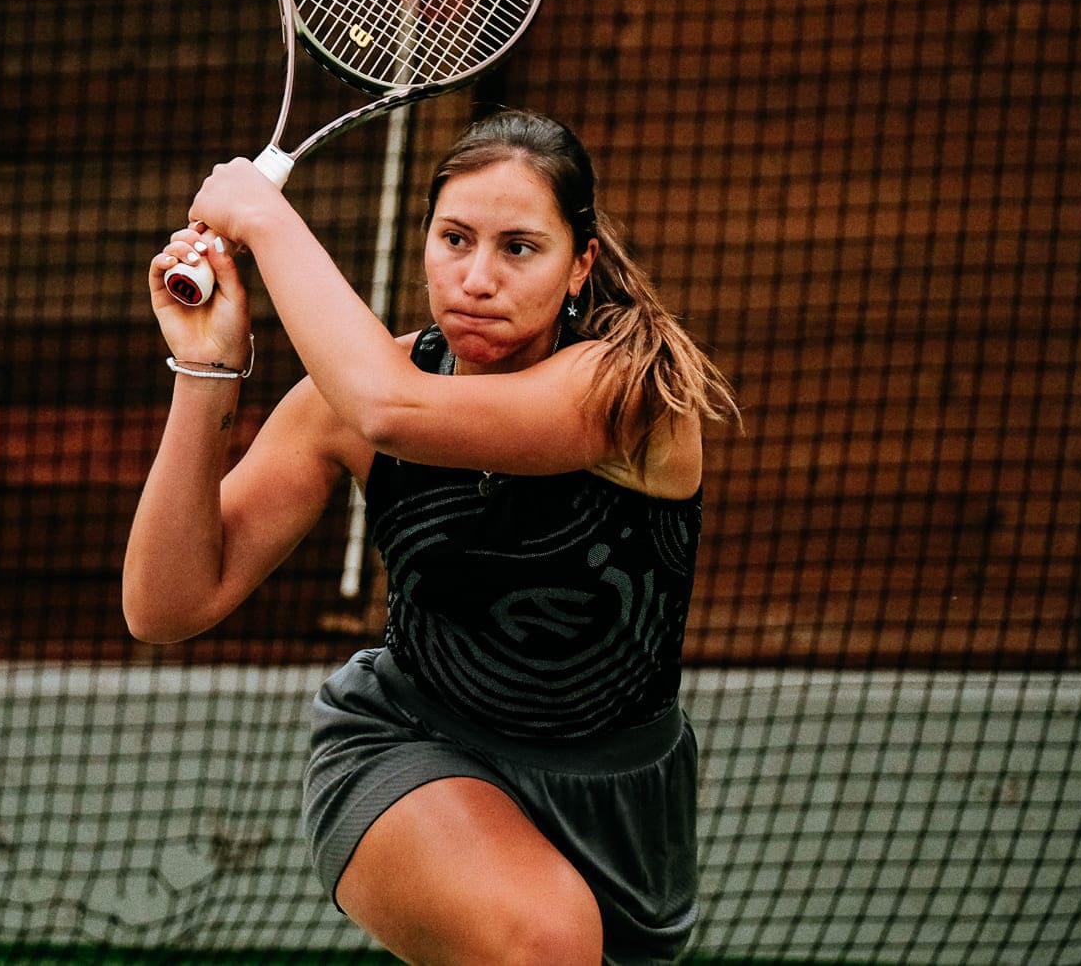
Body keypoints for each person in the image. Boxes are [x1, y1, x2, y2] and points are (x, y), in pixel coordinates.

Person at [124, 109, 739, 965]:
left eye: (518, 247)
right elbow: (166, 602)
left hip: (622, 805)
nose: (477, 277)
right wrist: (206, 365)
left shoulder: (630, 393)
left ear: (580, 264)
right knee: (545, 943)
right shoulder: (354, 398)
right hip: (412, 742)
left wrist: (264, 218)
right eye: (454, 239)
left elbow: (391, 408)